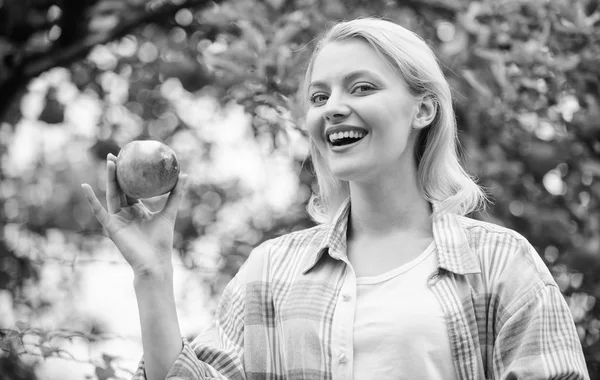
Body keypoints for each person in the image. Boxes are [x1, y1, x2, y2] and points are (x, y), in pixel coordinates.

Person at [81, 17, 590, 380]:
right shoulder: (271, 273)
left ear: (424, 110)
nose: (334, 109)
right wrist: (152, 276)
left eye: (362, 88)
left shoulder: (500, 263)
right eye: (320, 97)